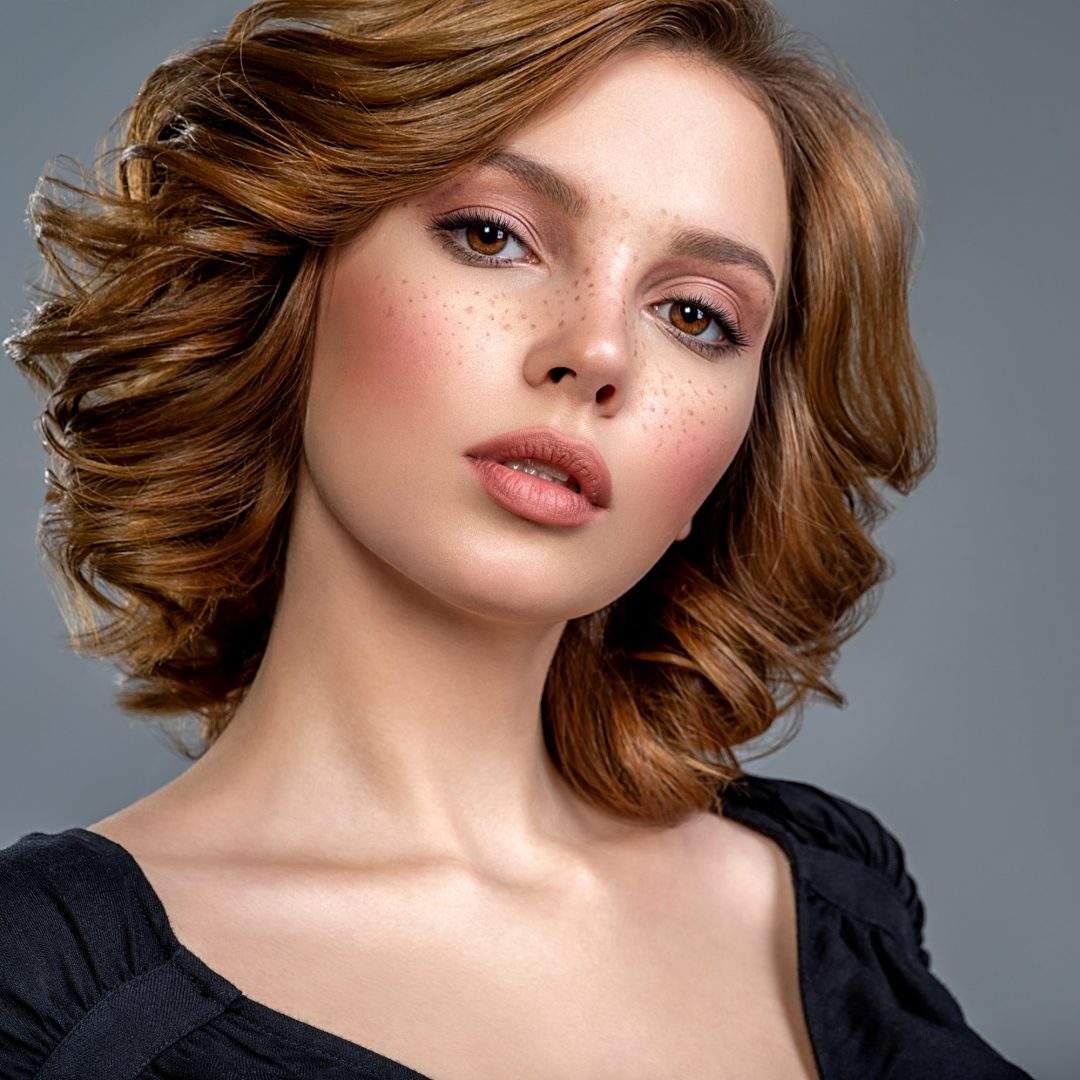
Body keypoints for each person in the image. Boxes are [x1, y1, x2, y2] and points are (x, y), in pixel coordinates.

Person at [0, 1, 1032, 1077]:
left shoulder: (831, 901)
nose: (595, 352)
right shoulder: (50, 995)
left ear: (730, 460)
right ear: (293, 281)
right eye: (492, 235)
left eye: (694, 316)